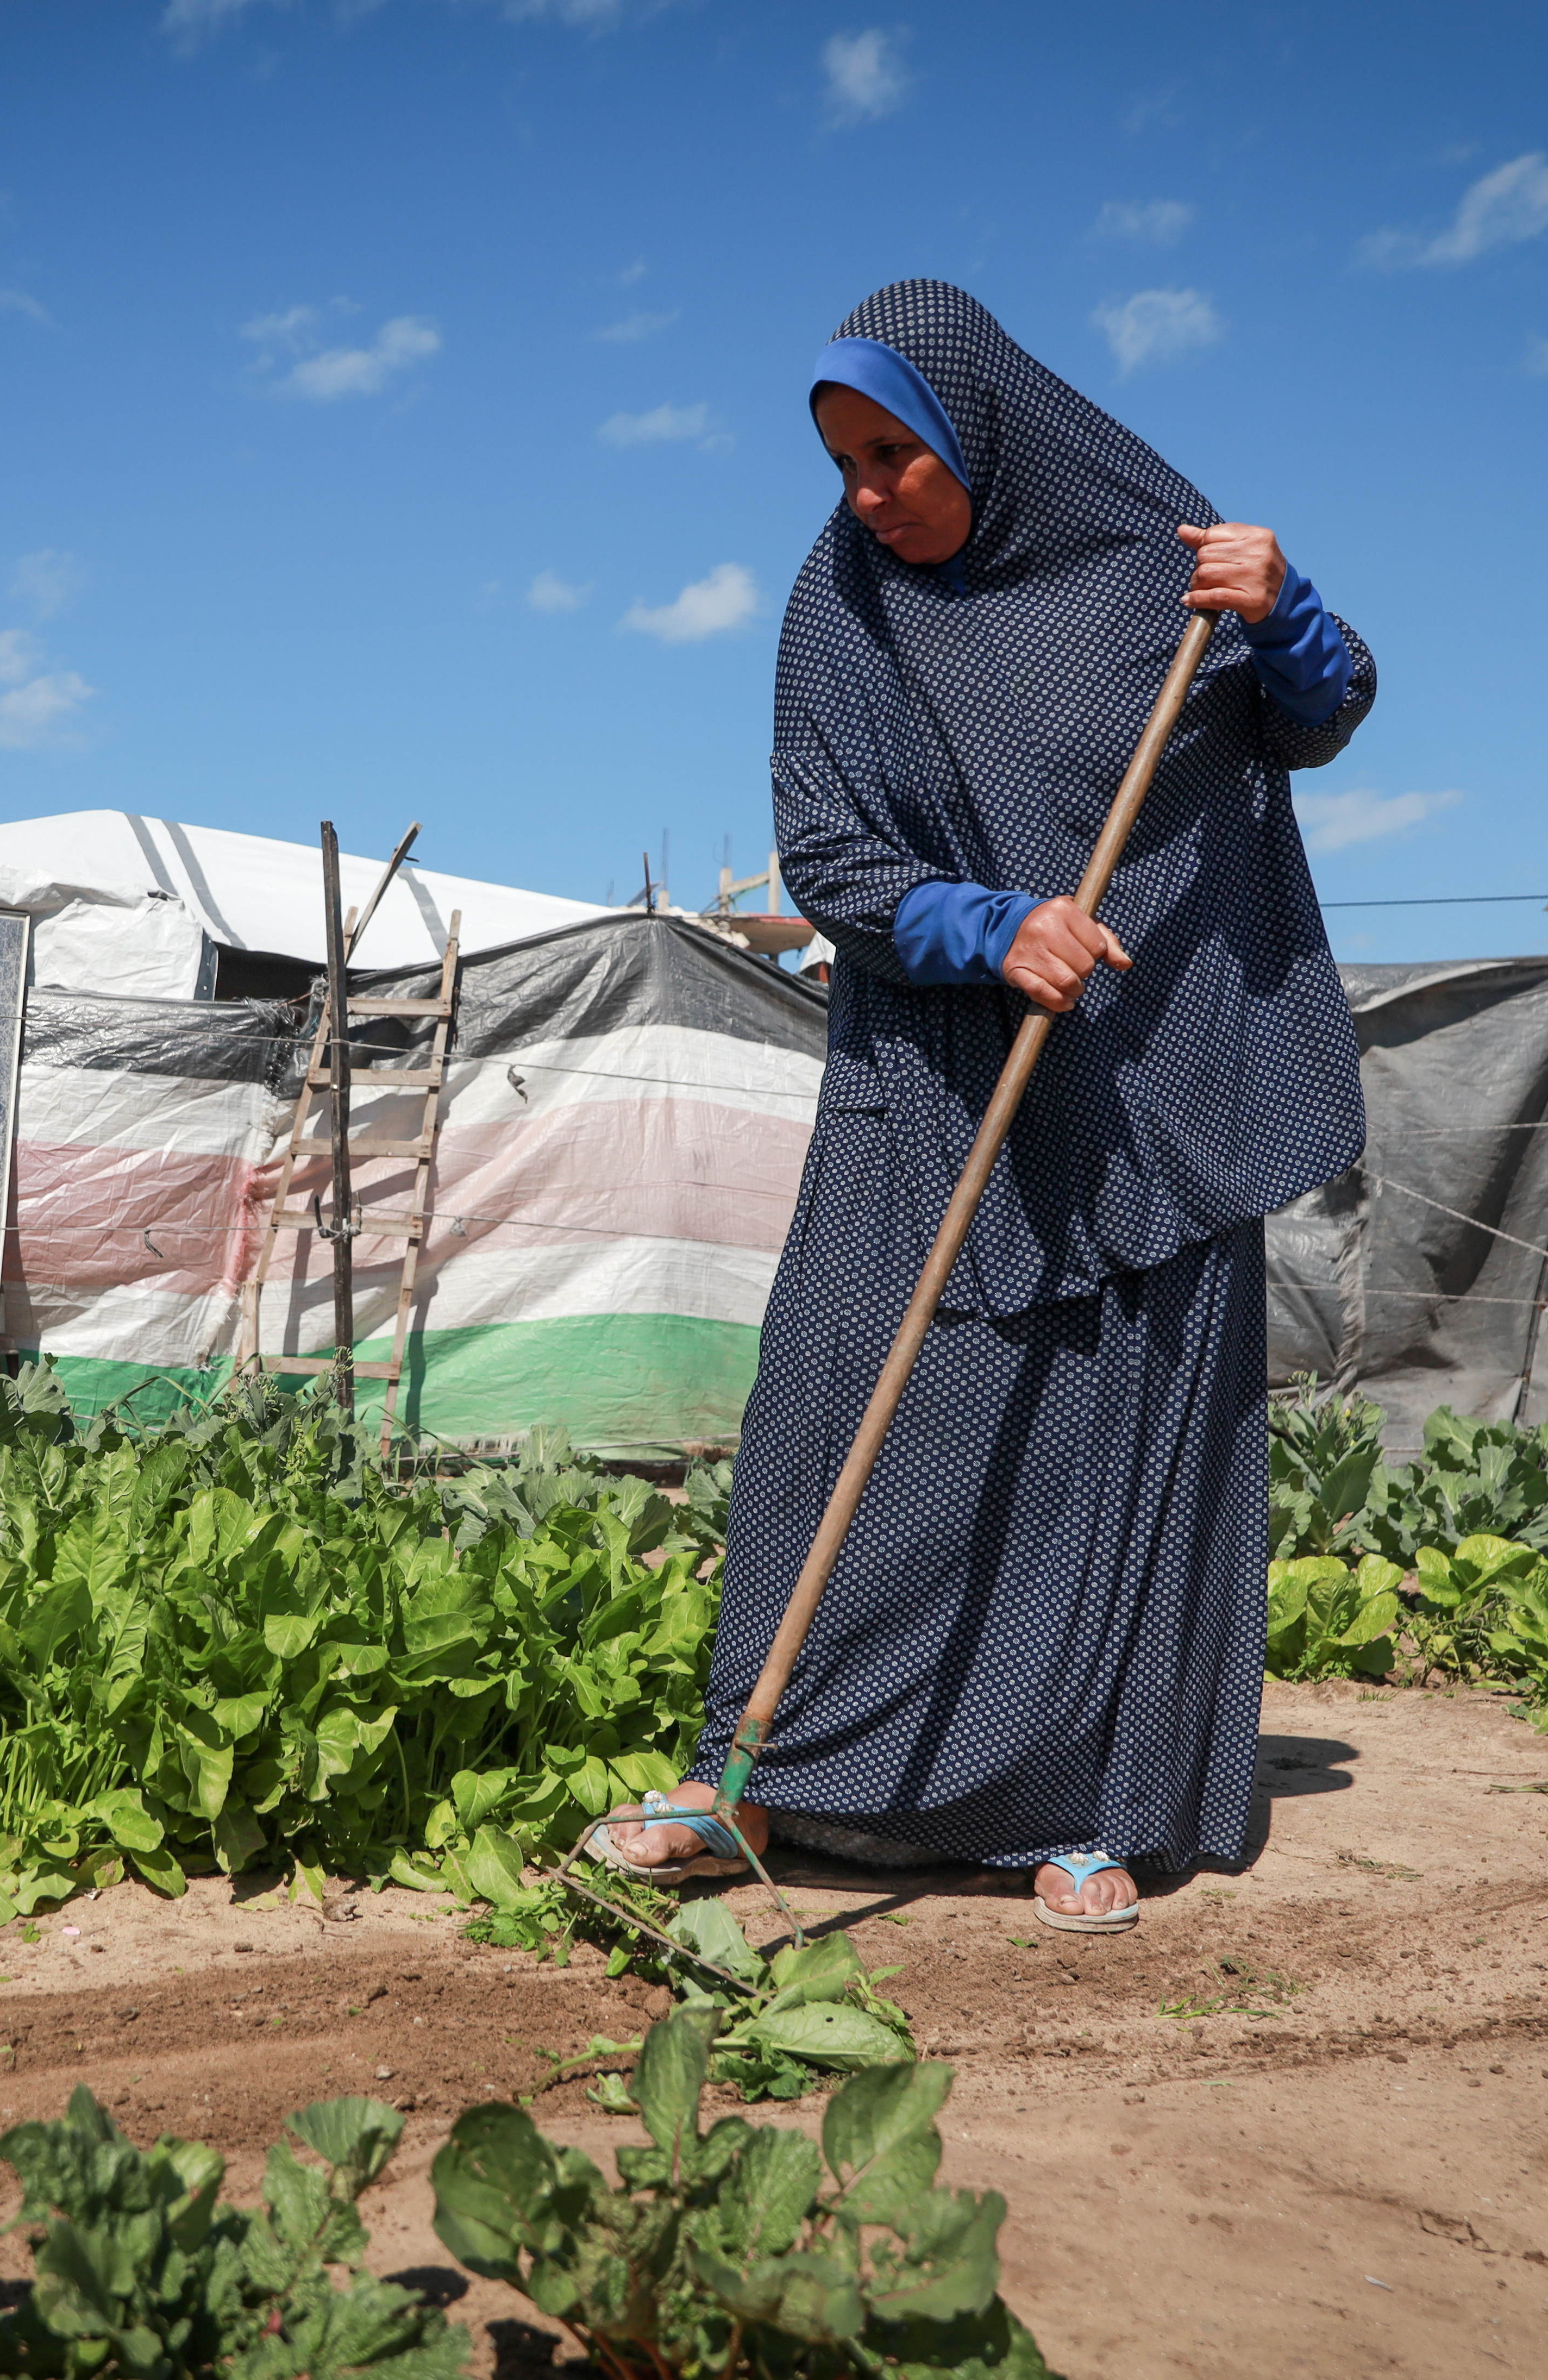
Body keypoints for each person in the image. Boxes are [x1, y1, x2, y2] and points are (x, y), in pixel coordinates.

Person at [589, 279, 1373, 1932]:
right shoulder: (840, 609)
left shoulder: (1156, 577)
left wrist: (1285, 613)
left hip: (1156, 1073)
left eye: (896, 455)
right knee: (844, 1405)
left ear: (982, 438)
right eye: (843, 461)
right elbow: (829, 856)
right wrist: (988, 922)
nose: (869, 492)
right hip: (938, 1074)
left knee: (1115, 1435)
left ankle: (1105, 1802)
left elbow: (1313, 718)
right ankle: (756, 1776)